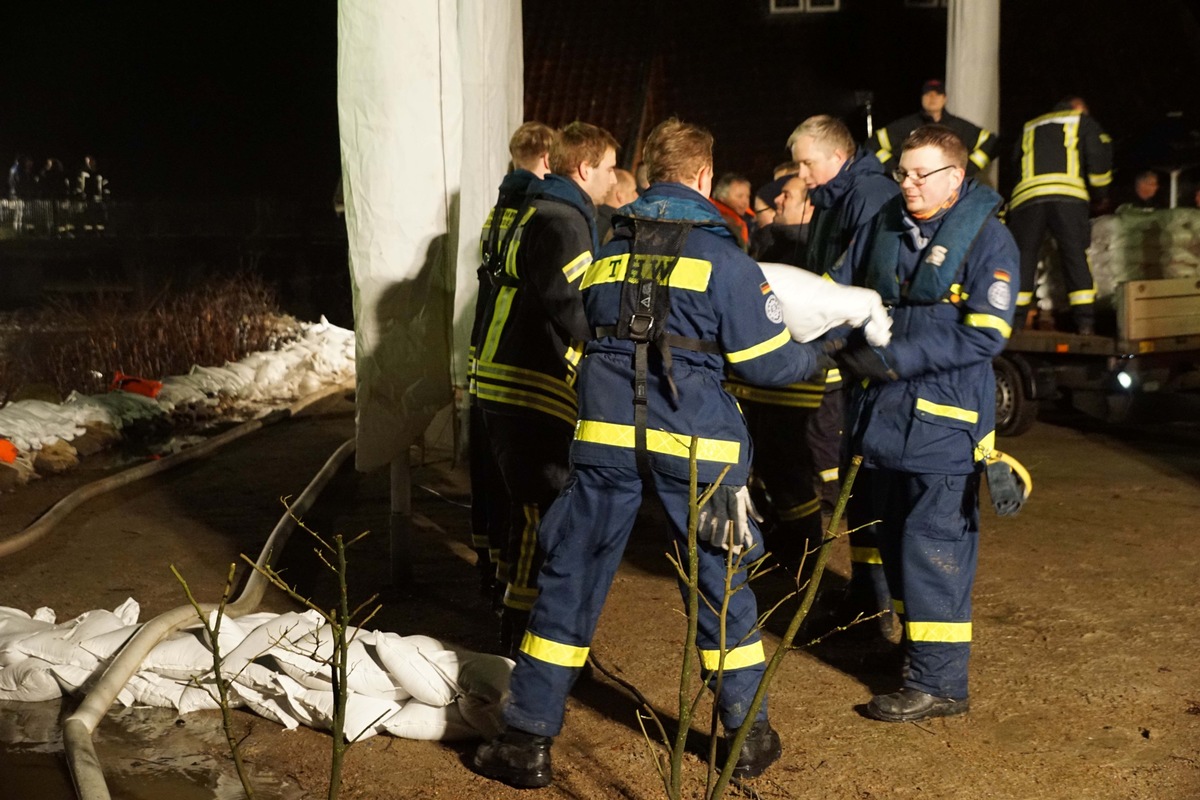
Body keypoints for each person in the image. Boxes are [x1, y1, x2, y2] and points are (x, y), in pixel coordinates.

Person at [472, 118, 838, 789]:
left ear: (646, 176)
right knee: (720, 589)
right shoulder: (724, 261)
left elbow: (581, 329)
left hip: (604, 446)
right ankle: (746, 737)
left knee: (569, 580)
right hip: (698, 453)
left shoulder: (607, 253)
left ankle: (527, 740)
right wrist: (826, 346)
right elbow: (770, 365)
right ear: (702, 178)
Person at [834, 124, 1018, 722]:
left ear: (955, 177)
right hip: (882, 425)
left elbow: (986, 335)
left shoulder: (989, 241)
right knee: (892, 545)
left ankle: (940, 685)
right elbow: (841, 294)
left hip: (944, 428)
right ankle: (919, 660)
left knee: (933, 550)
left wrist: (894, 360)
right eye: (902, 173)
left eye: (921, 174)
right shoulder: (883, 226)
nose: (908, 184)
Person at [472, 120, 617, 653]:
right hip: (535, 381)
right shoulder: (562, 222)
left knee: (521, 507)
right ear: (584, 168)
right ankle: (525, 637)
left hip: (504, 375)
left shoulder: (529, 207)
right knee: (544, 506)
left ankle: (513, 614)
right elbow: (575, 303)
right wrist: (613, 342)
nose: (613, 179)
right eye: (607, 169)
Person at [789, 114, 900, 622]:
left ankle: (877, 598)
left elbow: (851, 281)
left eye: (807, 163)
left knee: (872, 479)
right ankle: (866, 590)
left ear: (837, 156)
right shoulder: (835, 198)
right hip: (847, 353)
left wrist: (819, 340)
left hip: (863, 356)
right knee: (859, 479)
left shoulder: (868, 196)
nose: (803, 175)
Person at [468, 120, 555, 609]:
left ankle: (490, 565)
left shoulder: (498, 210)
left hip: (485, 355)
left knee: (489, 473)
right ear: (547, 160)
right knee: (521, 484)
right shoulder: (535, 212)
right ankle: (510, 584)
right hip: (518, 363)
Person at [1007, 96, 1112, 335]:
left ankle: (1016, 320)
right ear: (1078, 109)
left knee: (1024, 258)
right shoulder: (1081, 122)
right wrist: (1100, 194)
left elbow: (1015, 163)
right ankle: (1085, 322)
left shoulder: (1030, 126)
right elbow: (1098, 159)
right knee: (1074, 254)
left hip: (1027, 199)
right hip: (1067, 198)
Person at [867, 79, 998, 179]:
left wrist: (968, 168)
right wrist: (896, 170)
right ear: (922, 98)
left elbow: (991, 143)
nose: (932, 98)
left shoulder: (959, 126)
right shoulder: (906, 126)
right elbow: (873, 144)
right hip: (914, 187)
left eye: (937, 94)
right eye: (928, 94)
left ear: (944, 98)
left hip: (951, 190)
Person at [749, 175, 812, 264]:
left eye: (786, 196)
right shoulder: (777, 244)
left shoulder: (808, 253)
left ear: (808, 207)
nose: (776, 200)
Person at [710, 172, 755, 248]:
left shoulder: (750, 220)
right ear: (722, 197)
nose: (745, 201)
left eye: (747, 196)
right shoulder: (718, 220)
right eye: (739, 196)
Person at [595, 167, 637, 243]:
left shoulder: (593, 218)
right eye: (633, 191)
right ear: (620, 196)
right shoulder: (616, 229)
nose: (637, 196)